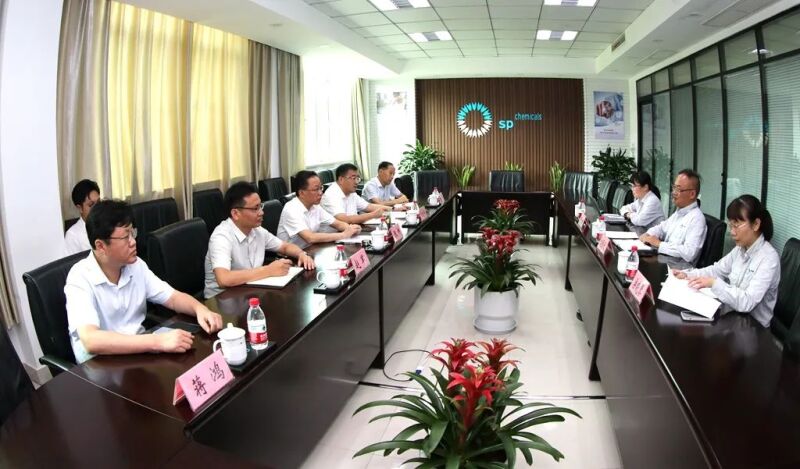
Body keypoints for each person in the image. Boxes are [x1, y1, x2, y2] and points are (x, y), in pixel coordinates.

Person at [65, 200, 223, 364]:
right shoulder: (80, 277)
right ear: (100, 246)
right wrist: (157, 341)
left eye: (132, 232)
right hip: (100, 364)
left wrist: (200, 309)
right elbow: (91, 340)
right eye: (125, 237)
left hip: (138, 352)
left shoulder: (135, 266)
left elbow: (173, 298)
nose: (133, 241)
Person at [673, 195, 779, 327]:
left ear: (756, 224)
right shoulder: (740, 249)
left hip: (753, 329)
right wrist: (688, 274)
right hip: (732, 318)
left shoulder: (769, 258)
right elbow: (716, 270)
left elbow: (747, 302)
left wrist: (714, 283)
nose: (732, 232)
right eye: (731, 225)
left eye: (737, 225)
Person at [204, 182, 315, 298]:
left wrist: (301, 254)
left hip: (250, 292)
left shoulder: (257, 230)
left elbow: (285, 247)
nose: (261, 212)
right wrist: (269, 270)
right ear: (235, 213)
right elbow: (224, 279)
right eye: (255, 208)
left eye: (260, 206)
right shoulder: (221, 236)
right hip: (221, 300)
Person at [277, 170, 362, 247]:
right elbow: (310, 238)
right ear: (301, 193)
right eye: (315, 189)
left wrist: (351, 229)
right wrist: (343, 235)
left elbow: (337, 224)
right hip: (290, 256)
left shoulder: (315, 206)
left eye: (321, 188)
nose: (320, 193)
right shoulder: (291, 209)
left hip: (310, 249)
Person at [640, 169, 707, 264]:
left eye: (678, 189)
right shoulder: (679, 212)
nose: (673, 193)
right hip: (665, 261)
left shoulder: (697, 219)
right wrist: (648, 234)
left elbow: (689, 253)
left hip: (678, 268)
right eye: (674, 187)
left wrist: (659, 244)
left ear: (692, 194)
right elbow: (662, 227)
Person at [320, 163, 388, 224]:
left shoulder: (351, 192)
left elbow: (368, 206)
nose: (356, 182)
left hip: (351, 230)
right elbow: (344, 219)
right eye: (353, 178)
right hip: (335, 233)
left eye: (357, 178)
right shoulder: (331, 195)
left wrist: (392, 209)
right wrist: (372, 215)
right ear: (341, 179)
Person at [64, 179, 100, 255]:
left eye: (99, 202)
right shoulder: (73, 235)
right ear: (80, 208)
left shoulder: (108, 223)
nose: (97, 208)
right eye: (91, 205)